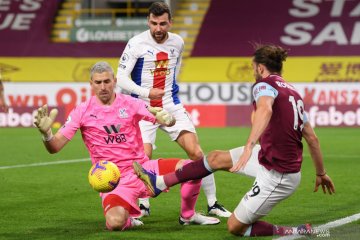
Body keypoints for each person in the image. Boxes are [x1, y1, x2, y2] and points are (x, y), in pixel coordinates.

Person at [133, 44, 336, 237]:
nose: (253, 71)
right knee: (214, 159)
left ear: (261, 67)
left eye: (253, 67)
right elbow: (312, 138)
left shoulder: (263, 85)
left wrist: (249, 145)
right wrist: (321, 172)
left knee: (236, 227)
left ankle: (295, 231)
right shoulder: (293, 93)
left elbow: (266, 108)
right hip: (267, 157)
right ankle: (159, 182)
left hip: (278, 174)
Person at [33, 61, 220, 231]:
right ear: (91, 84)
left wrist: (169, 120)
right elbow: (55, 147)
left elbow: (158, 117)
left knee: (194, 168)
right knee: (115, 223)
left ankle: (187, 215)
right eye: (98, 82)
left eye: (107, 81)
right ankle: (130, 218)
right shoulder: (82, 111)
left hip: (143, 169)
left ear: (115, 81)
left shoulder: (131, 103)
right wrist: (46, 134)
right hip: (113, 180)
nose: (103, 87)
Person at [116, 1, 230, 217]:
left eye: (163, 24)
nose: (158, 28)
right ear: (148, 22)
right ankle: (143, 204)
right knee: (143, 158)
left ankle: (213, 203)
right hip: (143, 108)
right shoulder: (136, 43)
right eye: (154, 23)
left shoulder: (177, 42)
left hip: (171, 105)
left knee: (196, 153)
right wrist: (147, 92)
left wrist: (167, 92)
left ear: (170, 23)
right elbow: (120, 77)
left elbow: (173, 70)